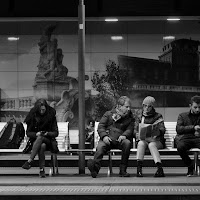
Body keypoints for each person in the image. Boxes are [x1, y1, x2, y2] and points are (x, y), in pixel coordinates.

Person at [87, 96, 135, 178]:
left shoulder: (130, 118)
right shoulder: (108, 114)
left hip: (120, 140)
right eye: (126, 107)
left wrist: (124, 135)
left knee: (127, 143)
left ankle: (123, 170)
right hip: (108, 139)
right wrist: (104, 136)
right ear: (119, 106)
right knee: (101, 147)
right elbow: (101, 126)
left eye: (129, 107)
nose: (129, 109)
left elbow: (130, 129)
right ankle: (94, 168)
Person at [22, 98, 59, 178]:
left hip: (49, 141)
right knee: (42, 146)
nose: (42, 111)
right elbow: (28, 133)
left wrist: (47, 133)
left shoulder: (51, 116)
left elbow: (56, 133)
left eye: (43, 109)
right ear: (37, 109)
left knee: (41, 137)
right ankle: (42, 170)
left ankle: (30, 161)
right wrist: (36, 134)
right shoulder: (33, 116)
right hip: (35, 142)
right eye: (40, 110)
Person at [135, 96, 166, 177]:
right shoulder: (140, 116)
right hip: (144, 139)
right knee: (141, 143)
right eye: (145, 105)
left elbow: (162, 129)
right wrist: (137, 134)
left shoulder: (158, 116)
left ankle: (159, 169)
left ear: (152, 107)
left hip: (156, 141)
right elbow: (135, 129)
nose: (147, 108)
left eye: (149, 106)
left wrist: (157, 131)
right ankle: (139, 169)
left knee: (151, 145)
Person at [175, 95, 200, 177]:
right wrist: (193, 128)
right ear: (190, 106)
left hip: (198, 138)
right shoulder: (183, 116)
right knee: (180, 147)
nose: (198, 110)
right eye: (195, 107)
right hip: (187, 138)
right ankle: (190, 165)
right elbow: (179, 129)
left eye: (199, 107)